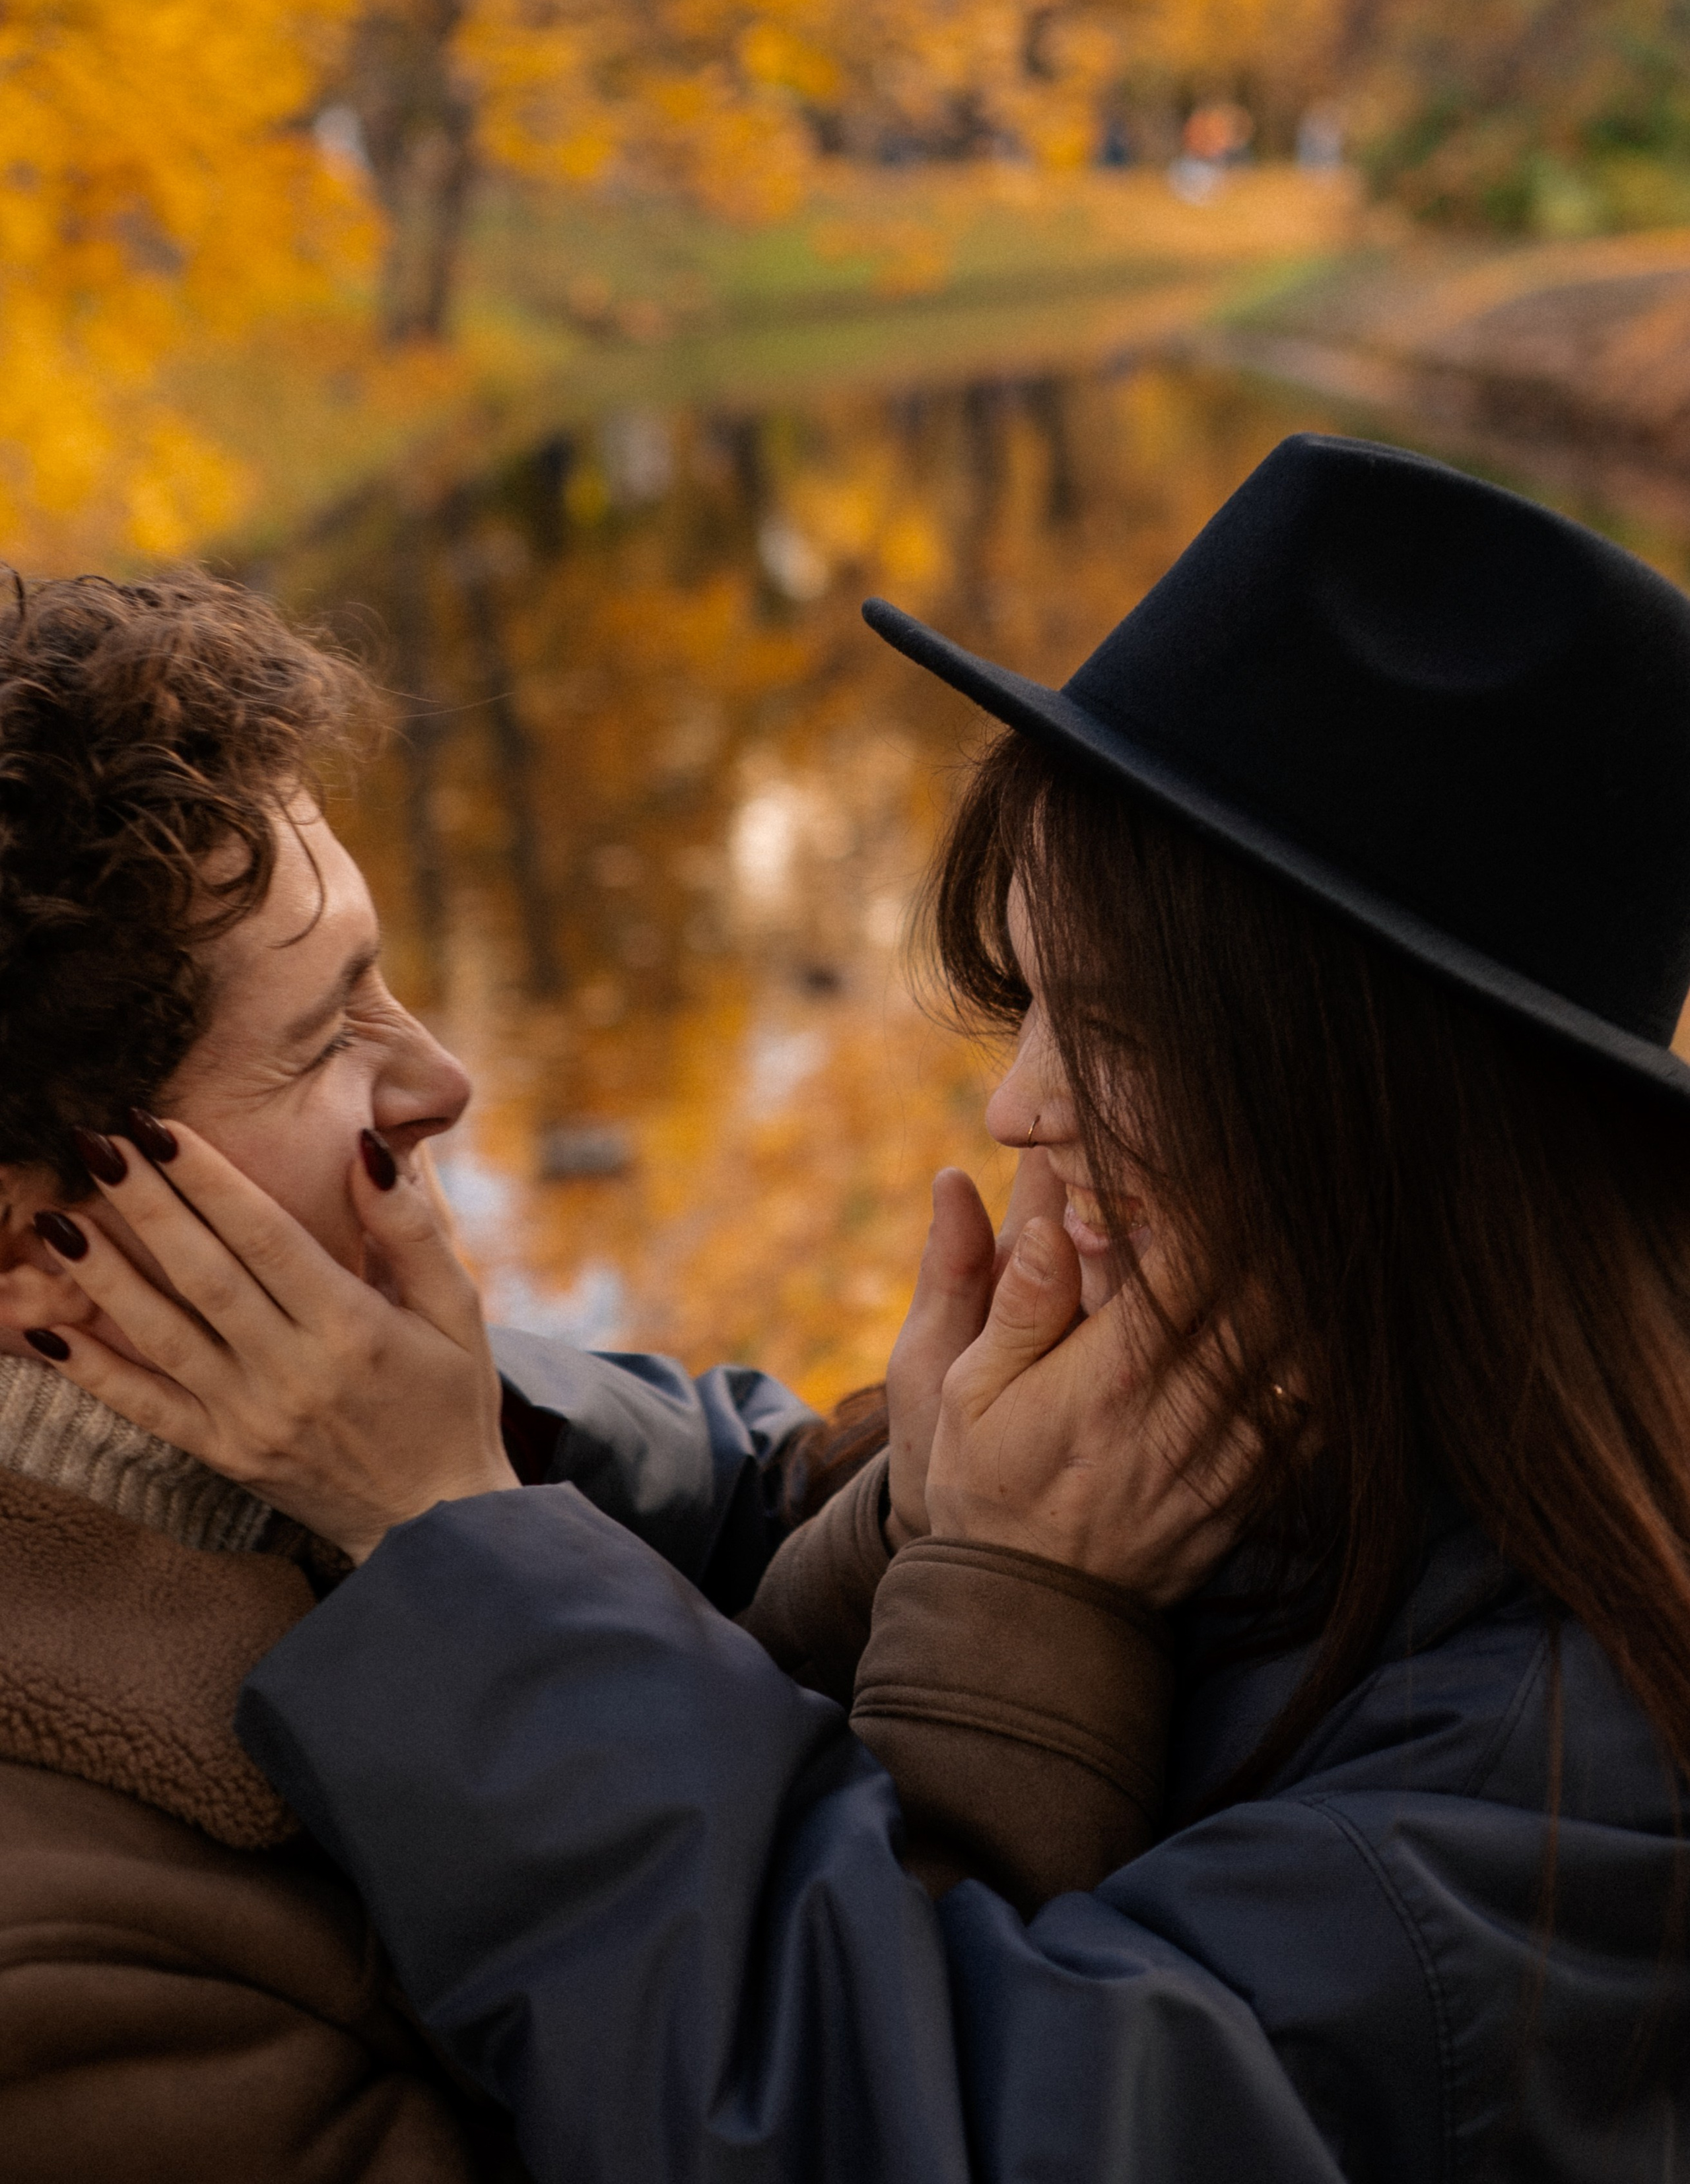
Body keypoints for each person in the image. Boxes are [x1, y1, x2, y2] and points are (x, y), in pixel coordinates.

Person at [32, 432, 1690, 2180]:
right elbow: (746, 1507)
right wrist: (896, 1493)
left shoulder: (1566, 1766)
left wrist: (447, 1525)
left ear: (1367, 1108)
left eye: (1110, 1031)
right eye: (1025, 1006)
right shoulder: (1270, 1395)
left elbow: (962, 2132)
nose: (1018, 1108)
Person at [0, 567, 847, 2183]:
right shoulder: (47, 1983)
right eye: (324, 1040)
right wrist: (1030, 1633)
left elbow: (709, 1507)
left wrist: (930, 1494)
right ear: (37, 1246)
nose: (443, 1079)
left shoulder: (283, 1420)